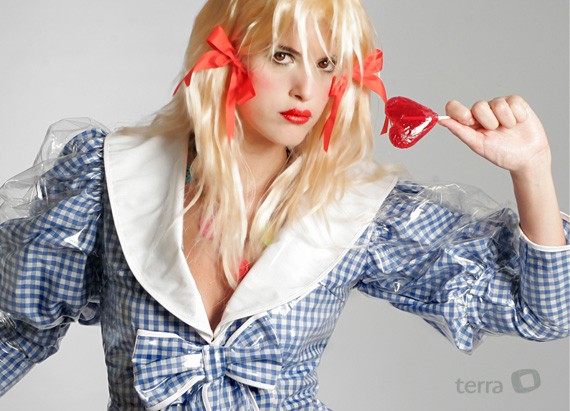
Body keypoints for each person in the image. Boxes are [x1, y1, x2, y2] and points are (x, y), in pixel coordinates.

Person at [0, 0, 568, 409]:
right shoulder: (112, 178)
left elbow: (544, 314)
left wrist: (533, 169)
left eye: (326, 64)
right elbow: (20, 328)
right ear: (223, 57)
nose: (306, 89)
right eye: (282, 55)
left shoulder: (355, 209)